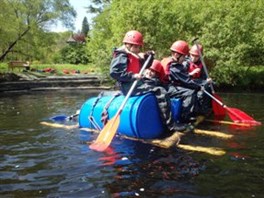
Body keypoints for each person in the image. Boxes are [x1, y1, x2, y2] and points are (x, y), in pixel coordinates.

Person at [110, 30, 186, 132]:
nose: (138, 49)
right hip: (128, 87)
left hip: (137, 83)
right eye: (136, 46)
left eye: (139, 47)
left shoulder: (132, 54)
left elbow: (146, 65)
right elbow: (115, 73)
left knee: (158, 84)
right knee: (160, 91)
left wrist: (149, 56)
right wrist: (133, 76)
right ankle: (170, 125)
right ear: (127, 44)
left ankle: (171, 113)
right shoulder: (122, 55)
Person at [161, 40, 212, 122]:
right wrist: (199, 86)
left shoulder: (173, 62)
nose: (185, 58)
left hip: (170, 85)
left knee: (194, 89)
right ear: (176, 54)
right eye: (183, 56)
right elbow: (187, 81)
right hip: (166, 87)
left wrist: (202, 84)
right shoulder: (174, 66)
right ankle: (185, 117)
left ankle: (198, 110)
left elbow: (184, 79)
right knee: (190, 92)